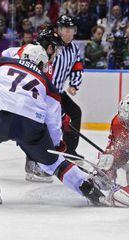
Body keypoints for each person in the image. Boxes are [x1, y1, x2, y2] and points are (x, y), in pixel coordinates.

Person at [0, 44, 109, 206]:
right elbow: (53, 122)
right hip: (30, 125)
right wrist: (54, 146)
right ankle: (89, 190)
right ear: (42, 63)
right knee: (53, 163)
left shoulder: (2, 63)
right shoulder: (48, 84)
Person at [53, 15, 84, 159]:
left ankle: (69, 150)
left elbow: (77, 67)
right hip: (45, 93)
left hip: (58, 92)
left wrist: (74, 84)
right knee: (47, 123)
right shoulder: (51, 45)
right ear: (59, 30)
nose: (69, 32)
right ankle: (37, 158)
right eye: (66, 29)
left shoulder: (73, 49)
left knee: (75, 113)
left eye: (72, 29)